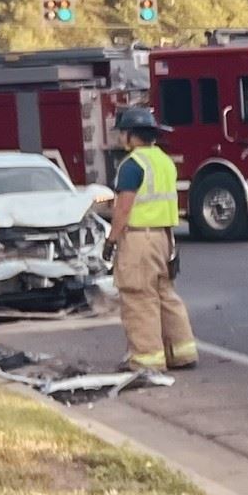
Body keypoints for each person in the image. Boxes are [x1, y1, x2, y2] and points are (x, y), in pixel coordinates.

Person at [107, 106, 196, 374]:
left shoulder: (132, 165)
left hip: (138, 238)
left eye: (121, 133)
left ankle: (147, 359)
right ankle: (182, 352)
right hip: (165, 237)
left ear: (131, 135)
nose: (120, 138)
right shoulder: (164, 161)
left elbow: (124, 207)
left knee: (138, 297)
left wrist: (111, 240)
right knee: (165, 294)